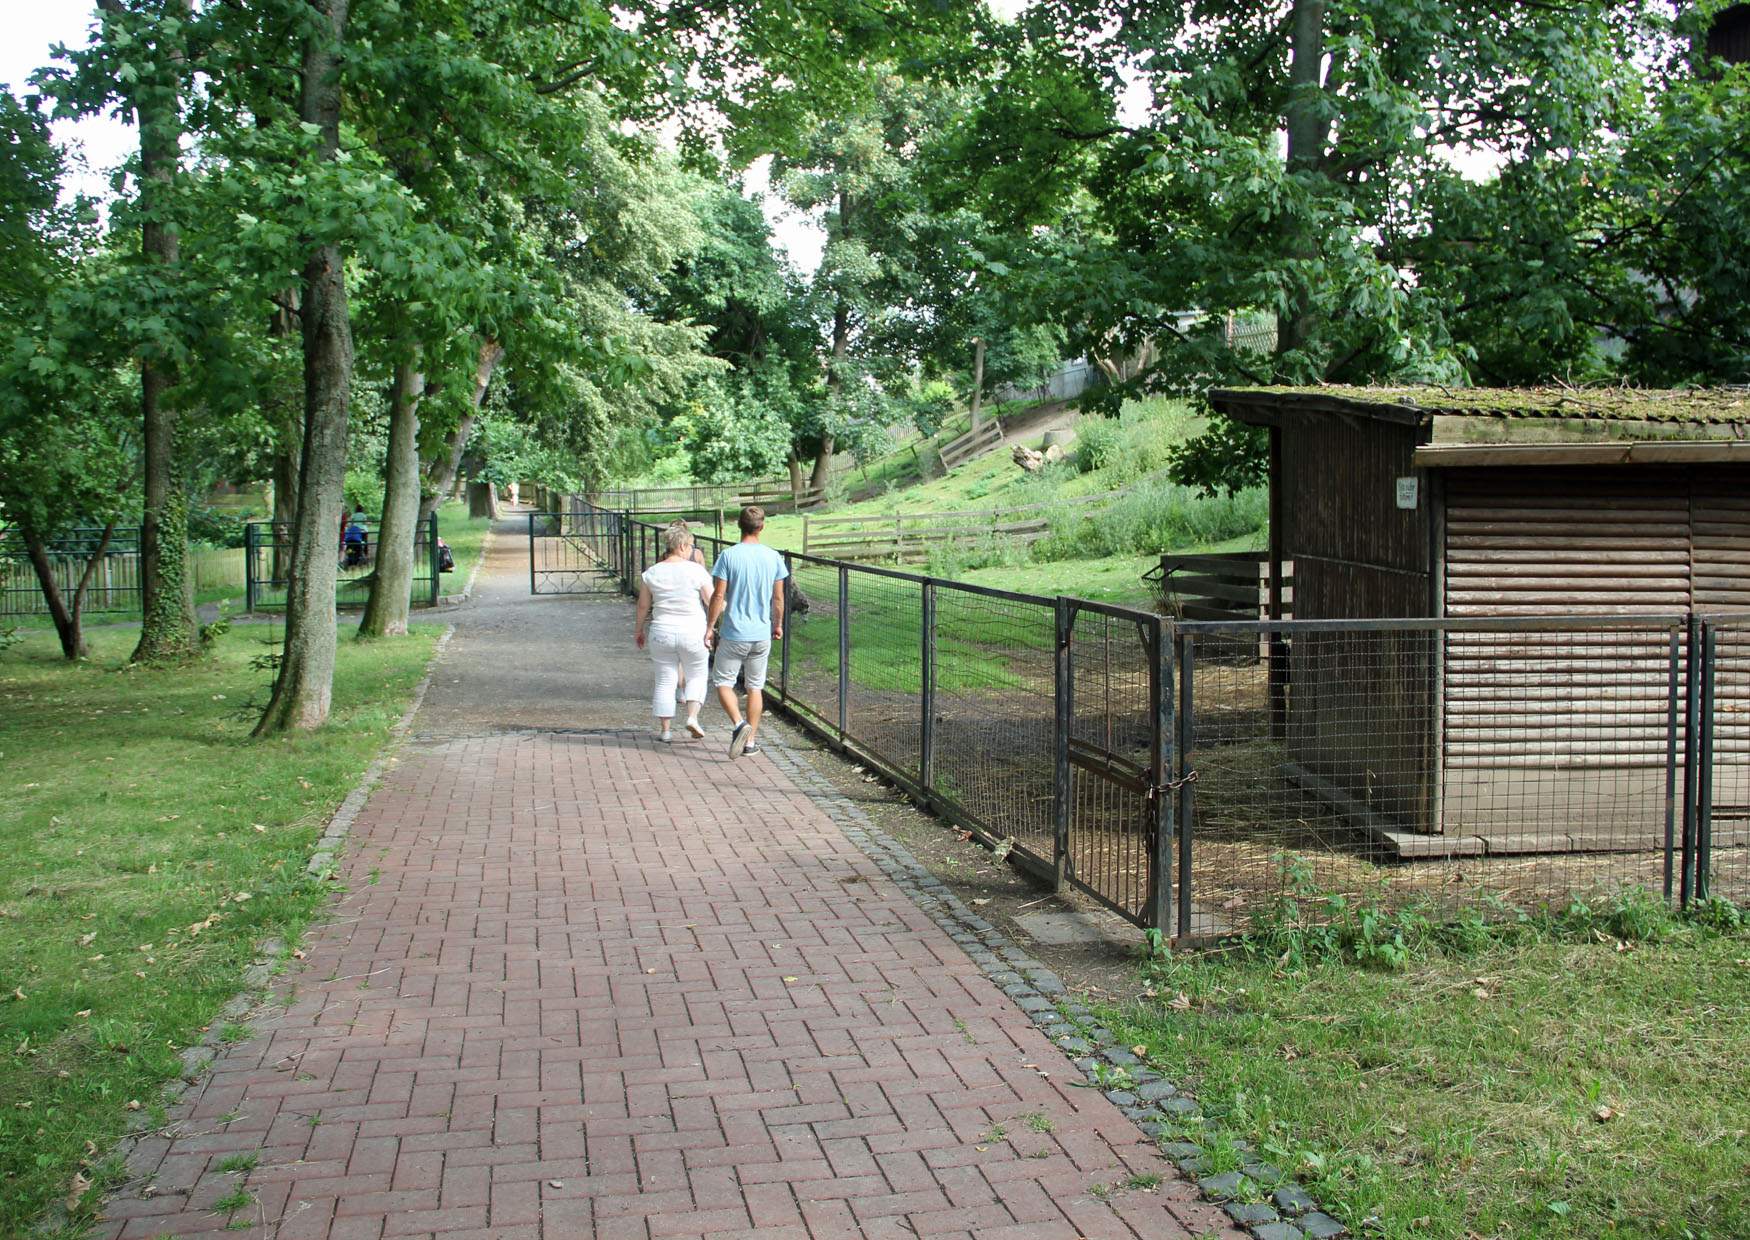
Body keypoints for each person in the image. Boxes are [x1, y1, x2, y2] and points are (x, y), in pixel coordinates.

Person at [707, 505, 787, 758]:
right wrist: (777, 624)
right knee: (755, 687)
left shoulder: (728, 556)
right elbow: (778, 598)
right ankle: (751, 742)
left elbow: (719, 594)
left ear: (739, 526)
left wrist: (709, 627)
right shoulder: (773, 557)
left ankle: (739, 723)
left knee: (722, 682)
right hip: (761, 634)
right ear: (761, 527)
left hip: (734, 633)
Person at [635, 524, 713, 742]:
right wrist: (719, 616)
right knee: (697, 674)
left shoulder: (651, 573)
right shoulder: (696, 570)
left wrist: (639, 630)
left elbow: (643, 606)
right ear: (681, 546)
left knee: (664, 680)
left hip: (662, 631)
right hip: (693, 631)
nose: (691, 551)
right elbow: (711, 600)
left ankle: (666, 730)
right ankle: (692, 717)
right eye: (689, 546)